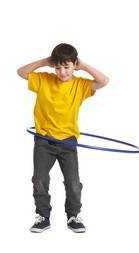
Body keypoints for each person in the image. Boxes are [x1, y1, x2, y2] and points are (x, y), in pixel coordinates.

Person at [17, 43, 109, 233]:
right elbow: (21, 72)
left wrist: (83, 66)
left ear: (74, 65)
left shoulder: (80, 85)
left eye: (66, 67)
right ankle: (43, 216)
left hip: (68, 140)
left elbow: (104, 81)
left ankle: (73, 216)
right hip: (43, 139)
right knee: (39, 180)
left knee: (73, 182)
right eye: (58, 67)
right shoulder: (44, 80)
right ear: (53, 66)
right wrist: (45, 62)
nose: (62, 72)